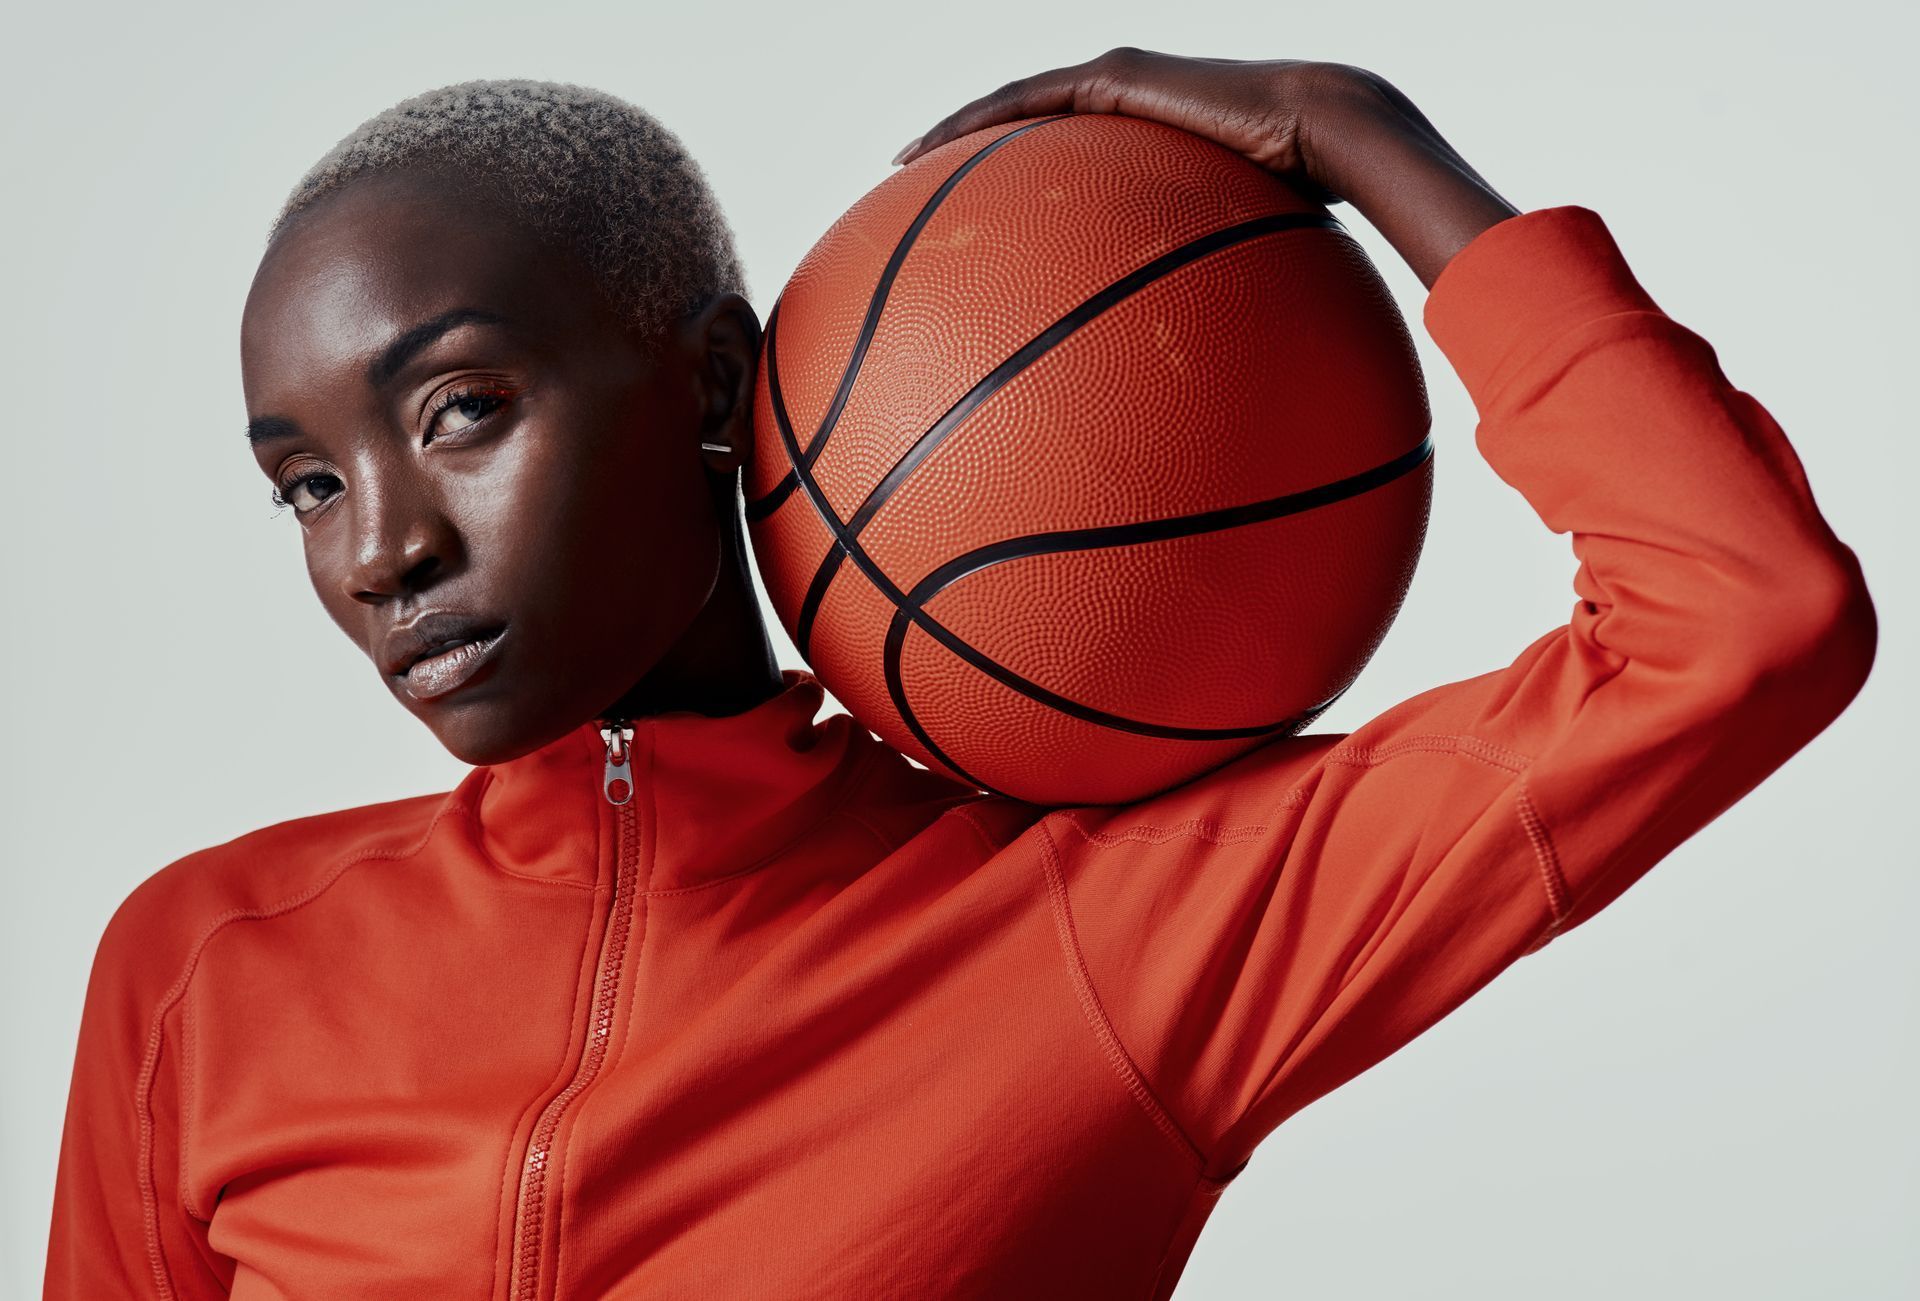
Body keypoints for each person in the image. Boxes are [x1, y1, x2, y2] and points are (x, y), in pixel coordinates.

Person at [44, 50, 1876, 1301]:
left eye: (459, 413)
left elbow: (1745, 618)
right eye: (305, 482)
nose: (379, 550)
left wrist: (1362, 138)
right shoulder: (204, 965)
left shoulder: (1112, 930)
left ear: (707, 387)